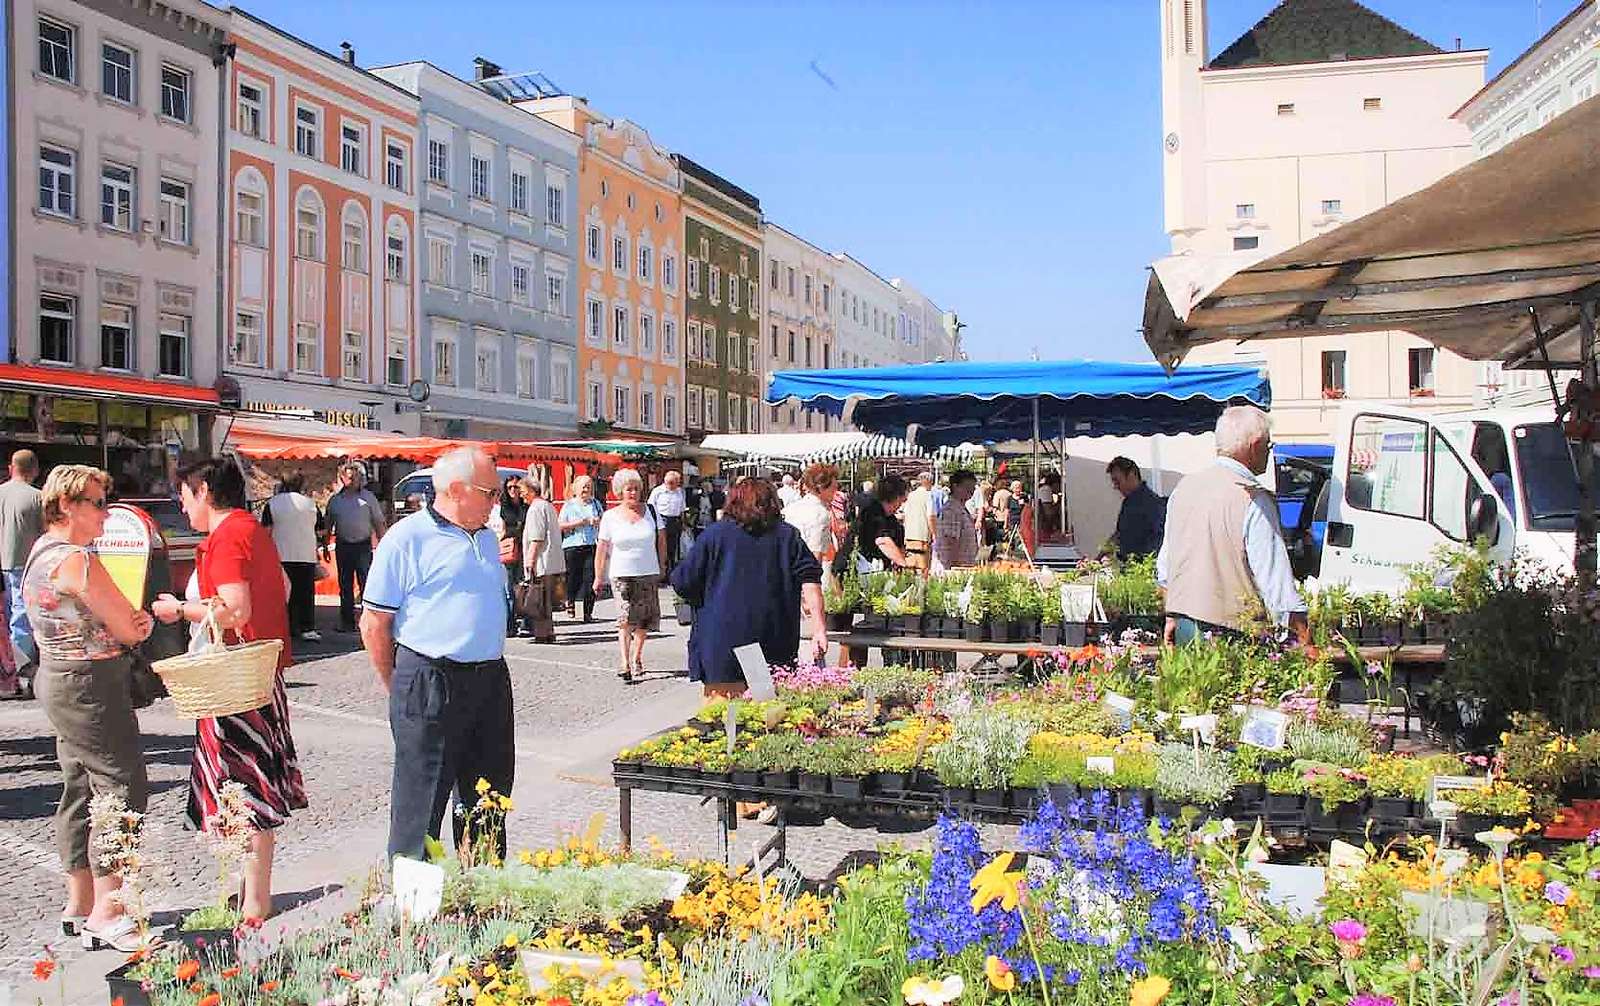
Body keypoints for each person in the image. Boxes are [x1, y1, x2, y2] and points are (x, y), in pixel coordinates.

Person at [153, 458, 304, 921]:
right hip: (254, 676)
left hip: (234, 684)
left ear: (203, 490)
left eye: (184, 494)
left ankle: (255, 902)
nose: (182, 504)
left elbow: (234, 610)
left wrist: (181, 610)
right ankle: (247, 890)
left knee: (242, 790)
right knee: (241, 788)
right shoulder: (250, 529)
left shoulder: (225, 536)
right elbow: (281, 588)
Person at [359, 446, 514, 863]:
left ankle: (481, 898)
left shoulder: (484, 536)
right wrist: (396, 683)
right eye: (490, 493)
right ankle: (417, 914)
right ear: (458, 490)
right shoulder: (407, 538)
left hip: (488, 680)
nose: (497, 502)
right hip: (429, 676)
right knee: (421, 805)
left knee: (488, 798)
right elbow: (374, 623)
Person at [24, 465, 154, 951]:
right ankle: (109, 909)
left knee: (79, 784)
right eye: (97, 503)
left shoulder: (40, 552)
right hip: (91, 681)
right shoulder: (78, 559)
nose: (107, 512)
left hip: (56, 676)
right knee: (121, 784)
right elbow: (128, 626)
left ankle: (79, 900)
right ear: (66, 506)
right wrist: (135, 623)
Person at [1158, 406, 1309, 646]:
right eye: (1268, 445)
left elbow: (1166, 569)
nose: (1269, 452)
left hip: (1185, 624)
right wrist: (1302, 640)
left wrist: (1172, 615)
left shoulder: (1184, 489)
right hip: (1235, 633)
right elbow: (1276, 583)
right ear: (1255, 444)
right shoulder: (1253, 498)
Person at [671, 478, 825, 698]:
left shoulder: (714, 535)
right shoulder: (787, 536)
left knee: (724, 721)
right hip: (773, 641)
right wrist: (819, 628)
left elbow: (682, 582)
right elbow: (810, 579)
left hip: (722, 642)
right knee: (768, 717)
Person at [593, 468, 666, 683]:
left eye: (636, 489)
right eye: (628, 490)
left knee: (644, 621)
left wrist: (663, 564)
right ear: (619, 492)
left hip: (648, 571)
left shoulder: (652, 512)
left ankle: (637, 656)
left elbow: (661, 540)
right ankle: (624, 663)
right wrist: (598, 576)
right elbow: (602, 548)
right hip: (621, 574)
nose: (633, 493)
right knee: (624, 620)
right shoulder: (610, 517)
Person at [1, 449, 44, 694]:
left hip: (3, 563)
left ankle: (6, 670)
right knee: (21, 618)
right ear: (35, 470)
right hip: (24, 565)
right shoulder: (37, 497)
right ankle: (21, 670)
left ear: (11, 468)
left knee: (4, 620)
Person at [325, 463, 386, 633]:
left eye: (357, 477)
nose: (354, 481)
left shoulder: (368, 498)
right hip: (343, 546)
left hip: (363, 546)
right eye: (350, 478)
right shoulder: (335, 500)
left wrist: (384, 545)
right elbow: (328, 524)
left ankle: (369, 621)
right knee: (345, 585)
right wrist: (324, 544)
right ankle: (346, 622)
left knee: (367, 583)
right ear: (343, 478)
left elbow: (378, 522)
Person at [261, 472, 321, 641]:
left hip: (281, 555)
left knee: (284, 595)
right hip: (306, 554)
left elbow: (266, 530)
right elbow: (321, 530)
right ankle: (307, 628)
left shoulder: (272, 504)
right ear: (302, 485)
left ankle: (285, 627)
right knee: (305, 594)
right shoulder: (310, 504)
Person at [519, 477, 563, 643]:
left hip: (542, 561)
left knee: (539, 600)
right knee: (545, 600)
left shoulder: (535, 509)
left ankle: (542, 634)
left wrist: (530, 561)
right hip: (552, 561)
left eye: (523, 492)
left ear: (531, 491)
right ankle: (548, 631)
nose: (522, 496)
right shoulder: (547, 505)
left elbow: (537, 537)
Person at [559, 477, 605, 623]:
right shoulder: (569, 505)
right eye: (584, 487)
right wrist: (580, 522)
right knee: (573, 578)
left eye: (589, 486)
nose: (586, 489)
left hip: (592, 544)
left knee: (590, 578)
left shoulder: (596, 504)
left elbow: (604, 521)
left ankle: (588, 612)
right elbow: (560, 525)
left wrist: (599, 522)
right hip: (573, 545)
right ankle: (570, 600)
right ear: (576, 488)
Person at [1106, 457, 1167, 561]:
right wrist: (1097, 559)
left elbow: (1158, 540)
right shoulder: (1128, 503)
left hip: (1142, 570)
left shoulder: (1152, 504)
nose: (1115, 486)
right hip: (1128, 568)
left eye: (1117, 481)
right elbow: (1119, 534)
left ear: (1131, 476)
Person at [784, 463, 839, 569]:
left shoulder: (790, 509)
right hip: (803, 574)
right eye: (833, 488)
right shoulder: (821, 514)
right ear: (821, 488)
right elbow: (815, 555)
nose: (835, 492)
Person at [495, 477, 528, 635]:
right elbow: (504, 529)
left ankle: (524, 620)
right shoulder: (504, 507)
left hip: (525, 550)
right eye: (509, 487)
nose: (513, 490)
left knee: (521, 587)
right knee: (508, 589)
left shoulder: (526, 506)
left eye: (516, 487)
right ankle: (510, 624)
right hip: (510, 550)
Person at [933, 469, 981, 571]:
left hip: (963, 567)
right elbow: (950, 541)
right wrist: (955, 569)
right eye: (967, 487)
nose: (971, 491)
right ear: (955, 486)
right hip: (954, 569)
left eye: (972, 488)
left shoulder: (961, 508)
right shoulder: (951, 510)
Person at [648, 469, 687, 575]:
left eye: (675, 483)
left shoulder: (680, 492)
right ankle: (661, 572)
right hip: (661, 520)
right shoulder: (657, 491)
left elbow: (682, 508)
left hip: (675, 521)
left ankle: (672, 572)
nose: (673, 486)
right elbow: (651, 507)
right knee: (661, 547)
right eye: (671, 483)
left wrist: (683, 523)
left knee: (673, 549)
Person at [901, 472, 936, 573]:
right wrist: (934, 534)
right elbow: (931, 517)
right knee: (923, 568)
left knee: (910, 567)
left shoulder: (910, 496)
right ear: (928, 482)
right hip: (922, 536)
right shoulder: (928, 496)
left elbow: (904, 514)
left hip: (909, 536)